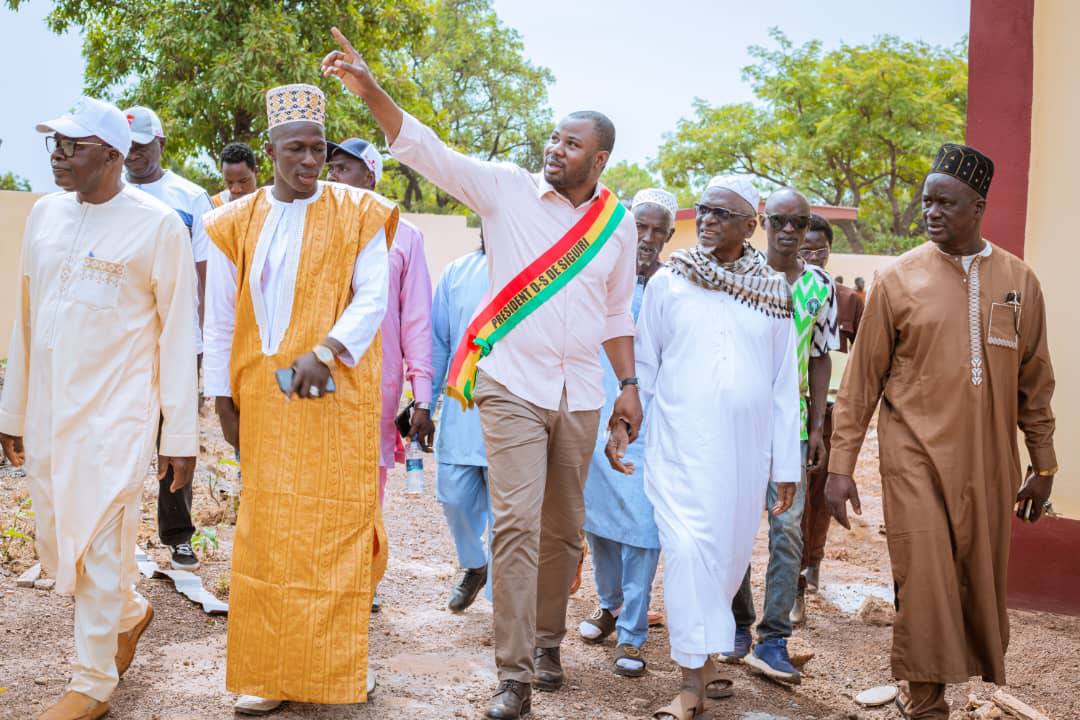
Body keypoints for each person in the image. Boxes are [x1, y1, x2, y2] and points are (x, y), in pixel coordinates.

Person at [323, 29, 642, 720]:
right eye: (553, 139)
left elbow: (619, 313)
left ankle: (549, 639)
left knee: (563, 530)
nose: (556, 150)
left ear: (601, 157)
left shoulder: (618, 226)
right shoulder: (504, 191)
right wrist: (372, 89)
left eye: (571, 144)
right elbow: (429, 150)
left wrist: (628, 385)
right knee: (516, 525)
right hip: (511, 386)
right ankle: (515, 676)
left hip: (583, 392)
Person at [826, 144, 1057, 720]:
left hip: (989, 465)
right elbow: (860, 384)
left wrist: (1044, 464)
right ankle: (926, 702)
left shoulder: (1019, 280)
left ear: (977, 206)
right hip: (914, 459)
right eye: (926, 201)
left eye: (944, 203)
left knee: (975, 578)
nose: (931, 212)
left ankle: (938, 683)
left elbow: (1036, 379)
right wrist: (839, 467)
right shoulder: (898, 279)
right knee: (923, 573)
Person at [202, 83, 397, 715]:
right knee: (267, 534)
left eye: (318, 149)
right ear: (271, 150)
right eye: (297, 150)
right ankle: (267, 672)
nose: (310, 161)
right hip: (262, 398)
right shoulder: (233, 220)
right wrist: (220, 398)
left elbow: (372, 297)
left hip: (333, 394)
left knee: (336, 528)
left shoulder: (360, 211)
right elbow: (219, 318)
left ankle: (341, 665)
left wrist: (328, 349)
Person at [0, 97, 198, 720]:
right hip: (50, 409)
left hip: (119, 414)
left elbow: (177, 335)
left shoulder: (158, 225)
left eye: (72, 144)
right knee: (61, 543)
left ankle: (92, 683)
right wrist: (12, 411)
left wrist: (179, 436)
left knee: (100, 539)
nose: (57, 154)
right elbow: (26, 320)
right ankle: (131, 611)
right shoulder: (44, 216)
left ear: (112, 154)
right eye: (54, 143)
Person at [626, 175, 801, 720]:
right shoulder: (668, 283)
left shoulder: (773, 290)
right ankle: (689, 686)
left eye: (722, 213)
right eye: (702, 210)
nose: (706, 219)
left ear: (752, 225)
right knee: (684, 554)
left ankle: (704, 663)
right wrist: (623, 424)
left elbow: (782, 386)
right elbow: (645, 365)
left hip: (743, 459)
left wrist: (785, 466)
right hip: (678, 449)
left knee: (724, 561)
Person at [724, 189, 837, 684]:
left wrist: (816, 428)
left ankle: (773, 639)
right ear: (763, 223)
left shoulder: (818, 287)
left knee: (788, 528)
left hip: (791, 427)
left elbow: (819, 354)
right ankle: (737, 623)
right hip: (740, 422)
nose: (789, 231)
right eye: (781, 222)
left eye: (800, 222)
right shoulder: (738, 278)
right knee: (737, 523)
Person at [578, 188, 676, 678]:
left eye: (659, 230)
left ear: (670, 237)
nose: (647, 237)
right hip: (595, 414)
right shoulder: (600, 279)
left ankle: (634, 633)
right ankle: (610, 605)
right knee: (600, 522)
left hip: (652, 427)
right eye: (640, 226)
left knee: (642, 528)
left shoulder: (674, 288)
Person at [122, 104, 212, 570]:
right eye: (127, 146)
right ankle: (111, 534)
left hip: (179, 341)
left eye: (142, 146)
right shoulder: (107, 194)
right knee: (116, 435)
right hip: (123, 342)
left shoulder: (190, 197)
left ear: (162, 143)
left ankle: (176, 535)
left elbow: (204, 275)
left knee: (174, 436)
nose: (134, 155)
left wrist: (201, 341)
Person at [792, 214, 863, 623]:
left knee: (824, 493)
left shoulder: (849, 300)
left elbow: (857, 360)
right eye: (807, 249)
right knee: (796, 496)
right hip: (801, 404)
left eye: (821, 249)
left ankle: (811, 561)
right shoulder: (796, 292)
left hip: (837, 408)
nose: (814, 256)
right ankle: (795, 579)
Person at [431, 239, 493, 612]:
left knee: (510, 515)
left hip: (515, 415)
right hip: (460, 409)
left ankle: (503, 605)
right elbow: (439, 341)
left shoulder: (535, 270)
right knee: (454, 499)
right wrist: (424, 401)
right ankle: (474, 564)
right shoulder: (457, 271)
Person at [211, 142, 259, 207]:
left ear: (255, 172)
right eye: (229, 182)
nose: (236, 189)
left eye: (243, 181)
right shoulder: (213, 206)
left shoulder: (270, 204)